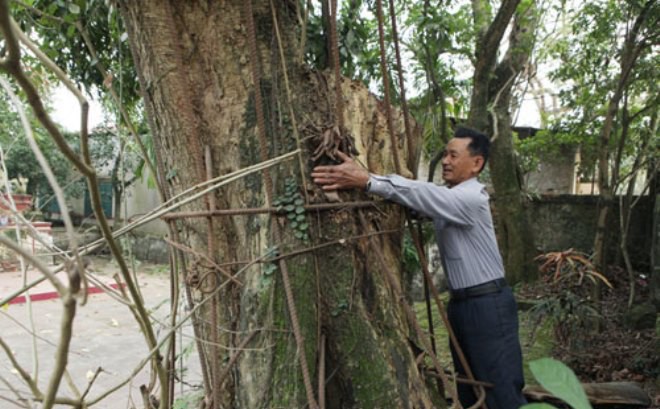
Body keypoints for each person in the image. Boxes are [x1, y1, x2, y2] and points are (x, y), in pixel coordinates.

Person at [311, 126, 527, 408]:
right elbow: (421, 201)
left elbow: (424, 194)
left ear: (477, 164)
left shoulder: (470, 198)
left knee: (501, 387)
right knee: (469, 384)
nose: (446, 161)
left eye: (453, 155)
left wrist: (367, 180)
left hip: (488, 304)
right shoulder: (450, 198)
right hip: (462, 304)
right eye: (445, 155)